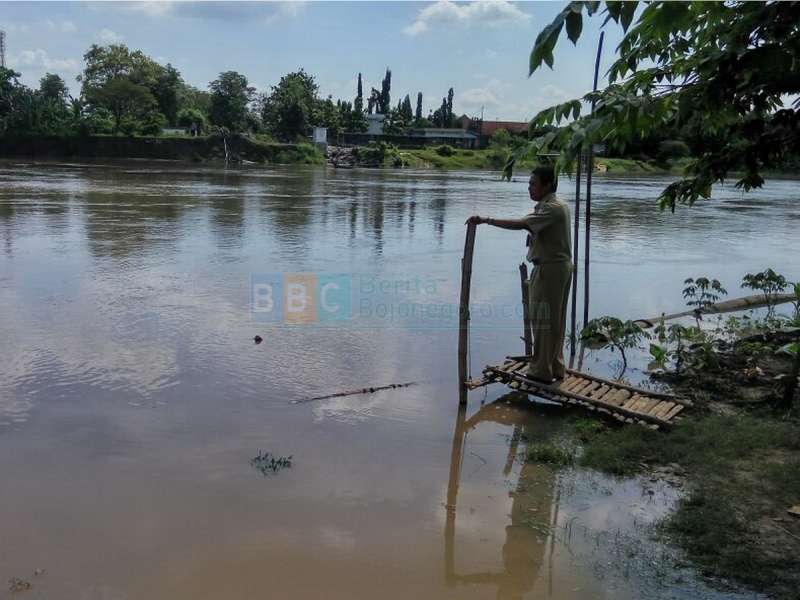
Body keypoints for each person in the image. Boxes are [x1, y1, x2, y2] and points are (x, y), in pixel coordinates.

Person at [465, 165, 573, 383]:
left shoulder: (552, 208)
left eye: (533, 183)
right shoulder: (551, 205)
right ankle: (555, 367)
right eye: (529, 183)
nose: (529, 188)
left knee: (543, 320)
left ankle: (541, 371)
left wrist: (487, 220)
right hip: (554, 266)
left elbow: (522, 224)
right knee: (553, 321)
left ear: (548, 185)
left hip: (550, 269)